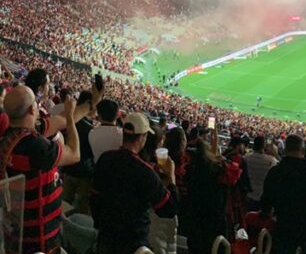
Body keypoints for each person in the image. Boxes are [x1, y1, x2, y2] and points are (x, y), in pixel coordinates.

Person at [0, 86, 81, 254]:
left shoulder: (7, 139)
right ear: (32, 109)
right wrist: (70, 117)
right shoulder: (37, 148)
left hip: (15, 232)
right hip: (41, 238)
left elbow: (51, 124)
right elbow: (74, 154)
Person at [91, 112, 178, 254]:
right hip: (134, 244)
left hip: (106, 237)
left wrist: (100, 225)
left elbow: (95, 197)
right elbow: (169, 209)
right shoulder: (145, 172)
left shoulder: (105, 159)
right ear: (142, 137)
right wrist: (171, 176)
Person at [260, 135, 306, 254]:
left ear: (285, 150)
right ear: (303, 151)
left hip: (283, 227)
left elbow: (265, 202)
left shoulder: (274, 172)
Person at [182, 136, 240, 254]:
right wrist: (221, 158)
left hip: (195, 221)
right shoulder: (218, 169)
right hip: (215, 221)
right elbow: (235, 173)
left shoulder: (189, 170)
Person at [244, 135, 278, 209]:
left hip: (249, 195)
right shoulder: (271, 160)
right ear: (264, 146)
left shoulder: (246, 157)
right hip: (264, 197)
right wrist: (275, 154)